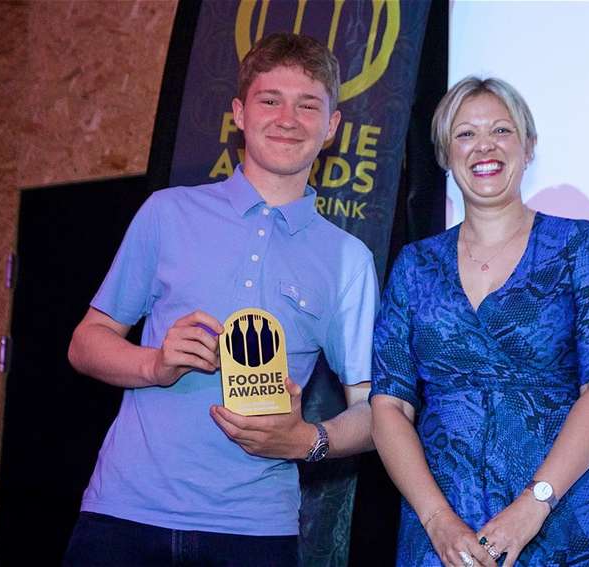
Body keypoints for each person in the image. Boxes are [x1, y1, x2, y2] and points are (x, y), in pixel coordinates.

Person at [64, 33, 378, 566]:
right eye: (269, 100)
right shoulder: (166, 214)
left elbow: (375, 411)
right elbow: (84, 344)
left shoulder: (348, 258)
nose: (287, 118)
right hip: (124, 515)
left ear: (332, 127)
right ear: (238, 113)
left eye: (308, 105)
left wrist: (305, 441)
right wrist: (155, 362)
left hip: (255, 531)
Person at [370, 76, 589, 567]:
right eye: (465, 134)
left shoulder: (579, 247)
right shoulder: (414, 266)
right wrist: (436, 520)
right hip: (445, 535)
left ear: (528, 146)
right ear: (446, 154)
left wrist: (535, 505)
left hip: (561, 520)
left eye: (501, 131)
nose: (483, 146)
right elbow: (388, 406)